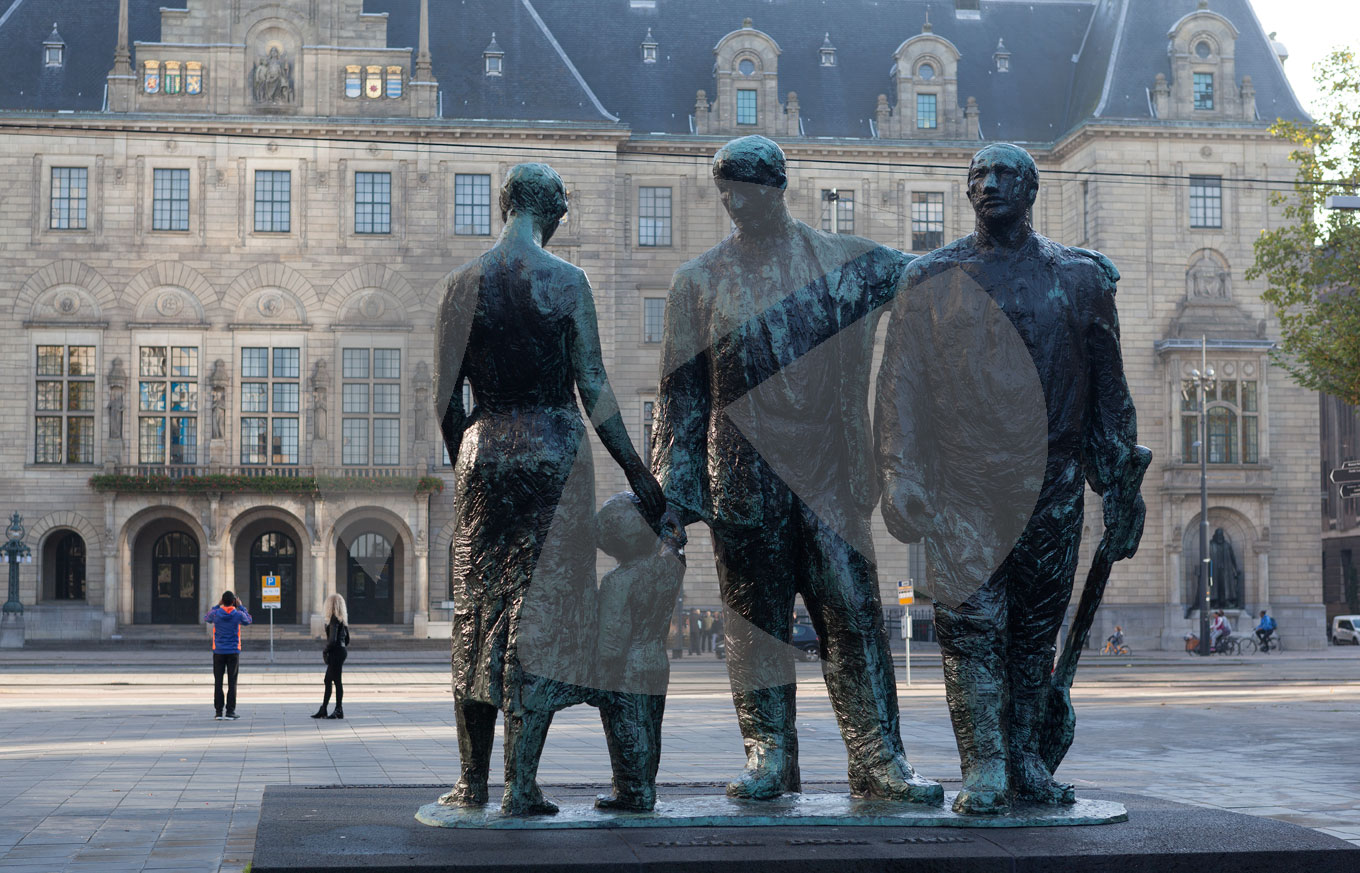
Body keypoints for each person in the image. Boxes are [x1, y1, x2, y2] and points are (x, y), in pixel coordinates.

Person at [652, 134, 940, 804]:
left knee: (852, 611)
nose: (732, 202)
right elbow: (681, 397)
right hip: (740, 475)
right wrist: (673, 492)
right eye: (724, 190)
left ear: (777, 188)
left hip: (828, 474)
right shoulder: (696, 282)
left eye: (744, 189)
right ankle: (769, 753)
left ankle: (877, 758)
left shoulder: (842, 262)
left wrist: (1045, 260)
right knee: (756, 622)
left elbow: (928, 274)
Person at [874, 143, 1145, 814]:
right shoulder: (928, 278)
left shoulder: (1081, 280)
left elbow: (1109, 389)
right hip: (961, 482)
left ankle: (1025, 758)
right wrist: (900, 475)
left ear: (1031, 189)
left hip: (1052, 485)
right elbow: (899, 386)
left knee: (1031, 629)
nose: (989, 185)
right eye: (978, 177)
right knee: (972, 625)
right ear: (967, 192)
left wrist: (1119, 481)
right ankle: (986, 765)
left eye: (1003, 176)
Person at [435, 162, 665, 816]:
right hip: (556, 452)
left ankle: (471, 780)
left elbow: (445, 400)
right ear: (553, 210)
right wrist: (634, 467)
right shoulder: (568, 281)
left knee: (476, 615)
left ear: (503, 205)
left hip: (485, 450)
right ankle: (520, 784)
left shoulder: (462, 284)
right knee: (543, 613)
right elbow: (591, 384)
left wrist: (469, 461)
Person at [592, 492, 686, 811]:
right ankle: (645, 784)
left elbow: (611, 640)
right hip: (656, 659)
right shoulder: (667, 569)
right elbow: (676, 545)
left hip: (628, 666)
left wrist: (600, 677)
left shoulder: (618, 581)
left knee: (627, 729)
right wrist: (669, 527)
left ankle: (633, 791)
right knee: (650, 728)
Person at [204, 591, 252, 720]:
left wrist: (216, 605)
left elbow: (206, 618)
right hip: (233, 652)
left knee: (218, 682)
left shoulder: (216, 613)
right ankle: (230, 711)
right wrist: (241, 606)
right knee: (232, 682)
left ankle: (218, 712)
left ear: (222, 601)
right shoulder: (238, 614)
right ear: (234, 602)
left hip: (218, 651)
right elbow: (248, 620)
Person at [312, 593, 350, 720]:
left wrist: (325, 651)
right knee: (328, 680)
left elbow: (332, 640)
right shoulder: (342, 620)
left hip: (335, 652)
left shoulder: (334, 619)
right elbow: (348, 639)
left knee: (336, 681)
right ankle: (324, 709)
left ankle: (339, 710)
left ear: (330, 605)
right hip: (341, 651)